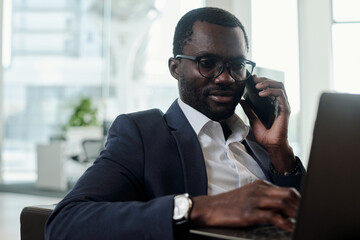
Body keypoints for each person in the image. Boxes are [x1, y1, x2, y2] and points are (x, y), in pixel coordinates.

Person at [46, 7, 305, 240]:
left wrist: (279, 150)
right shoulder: (143, 134)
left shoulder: (259, 139)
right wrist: (199, 208)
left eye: (237, 65)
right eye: (207, 63)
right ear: (175, 68)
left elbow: (307, 218)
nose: (225, 78)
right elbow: (65, 222)